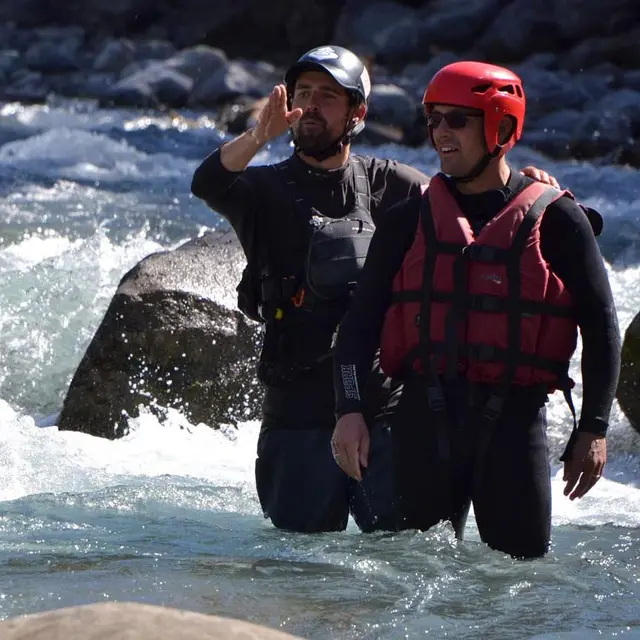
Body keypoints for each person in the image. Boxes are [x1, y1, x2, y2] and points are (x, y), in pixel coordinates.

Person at [191, 46, 561, 535]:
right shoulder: (262, 191)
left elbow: (476, 201)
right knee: (297, 570)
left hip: (385, 413)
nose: (311, 105)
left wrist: (525, 186)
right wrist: (260, 135)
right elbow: (208, 182)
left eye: (328, 96)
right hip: (296, 415)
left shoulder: (393, 184)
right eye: (303, 93)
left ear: (358, 114)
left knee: (399, 562)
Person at [331, 61, 621, 558]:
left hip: (514, 423)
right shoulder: (407, 221)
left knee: (518, 582)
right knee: (406, 576)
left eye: (457, 120)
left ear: (503, 129)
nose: (440, 132)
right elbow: (358, 325)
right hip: (422, 417)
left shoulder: (558, 220)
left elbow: (601, 326)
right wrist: (350, 410)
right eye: (433, 119)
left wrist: (593, 427)